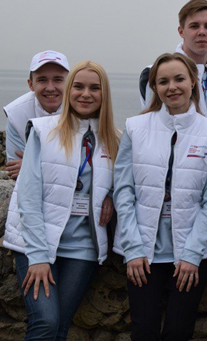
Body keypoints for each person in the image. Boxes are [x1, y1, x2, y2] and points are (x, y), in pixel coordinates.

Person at [114, 52, 207, 340]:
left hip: (192, 251)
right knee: (144, 330)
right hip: (143, 250)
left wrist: (192, 254)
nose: (172, 87)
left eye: (179, 79)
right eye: (163, 81)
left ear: (193, 81)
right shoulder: (135, 128)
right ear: (154, 86)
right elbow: (124, 191)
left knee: (179, 330)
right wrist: (133, 248)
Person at [3, 61, 120, 340]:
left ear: (104, 93)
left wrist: (112, 195)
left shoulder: (115, 139)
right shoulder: (43, 131)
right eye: (78, 86)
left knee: (60, 328)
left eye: (94, 88)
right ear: (69, 91)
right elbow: (28, 196)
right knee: (45, 321)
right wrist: (38, 256)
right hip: (37, 242)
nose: (85, 94)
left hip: (84, 247)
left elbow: (129, 181)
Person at [139, 0, 207, 126]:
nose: (202, 32)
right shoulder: (155, 73)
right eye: (194, 26)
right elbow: (153, 124)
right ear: (181, 31)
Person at [3, 50, 70, 180]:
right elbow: (16, 171)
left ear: (69, 83)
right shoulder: (16, 114)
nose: (50, 88)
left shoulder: (82, 110)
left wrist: (33, 165)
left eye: (58, 80)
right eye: (42, 80)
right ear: (31, 84)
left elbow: (86, 167)